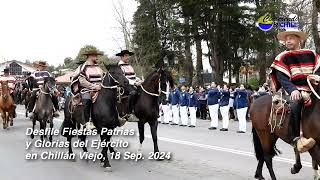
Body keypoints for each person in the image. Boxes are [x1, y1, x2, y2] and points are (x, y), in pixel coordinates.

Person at [270, 28, 320, 149]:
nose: (288, 41)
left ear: (299, 40)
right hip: (295, 89)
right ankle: (295, 138)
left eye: (291, 38)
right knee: (295, 104)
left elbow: (319, 69)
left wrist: (317, 76)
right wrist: (292, 89)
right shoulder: (282, 57)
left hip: (313, 87)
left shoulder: (312, 53)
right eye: (286, 39)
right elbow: (281, 77)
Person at [116, 50, 141, 122]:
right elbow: (124, 78)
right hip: (124, 85)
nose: (128, 57)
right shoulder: (119, 66)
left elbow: (133, 76)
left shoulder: (129, 66)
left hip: (133, 83)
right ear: (122, 57)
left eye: (128, 56)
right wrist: (134, 83)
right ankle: (129, 113)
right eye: (126, 56)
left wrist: (139, 80)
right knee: (133, 93)